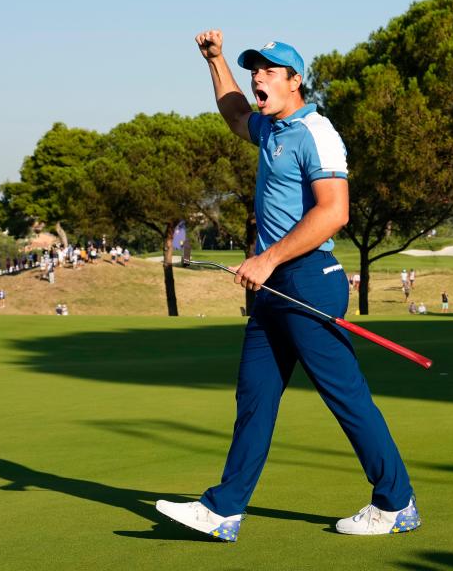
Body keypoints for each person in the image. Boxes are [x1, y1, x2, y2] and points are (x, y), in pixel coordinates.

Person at [155, 31, 419, 542]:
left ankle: (396, 501)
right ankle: (224, 509)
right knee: (254, 397)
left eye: (270, 70)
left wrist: (268, 258)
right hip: (275, 287)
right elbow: (234, 113)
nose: (258, 76)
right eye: (254, 69)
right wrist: (214, 61)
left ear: (295, 81)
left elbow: (334, 212)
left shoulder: (315, 131)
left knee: (346, 397)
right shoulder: (272, 129)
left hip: (308, 280)